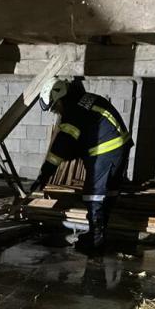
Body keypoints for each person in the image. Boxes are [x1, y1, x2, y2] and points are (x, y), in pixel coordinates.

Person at [31, 77, 133, 252]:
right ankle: (98, 234)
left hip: (107, 149)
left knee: (93, 194)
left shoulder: (73, 113)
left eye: (55, 107)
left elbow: (60, 148)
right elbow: (77, 143)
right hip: (117, 146)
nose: (56, 112)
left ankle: (95, 240)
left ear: (61, 97)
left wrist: (45, 174)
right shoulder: (83, 101)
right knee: (107, 193)